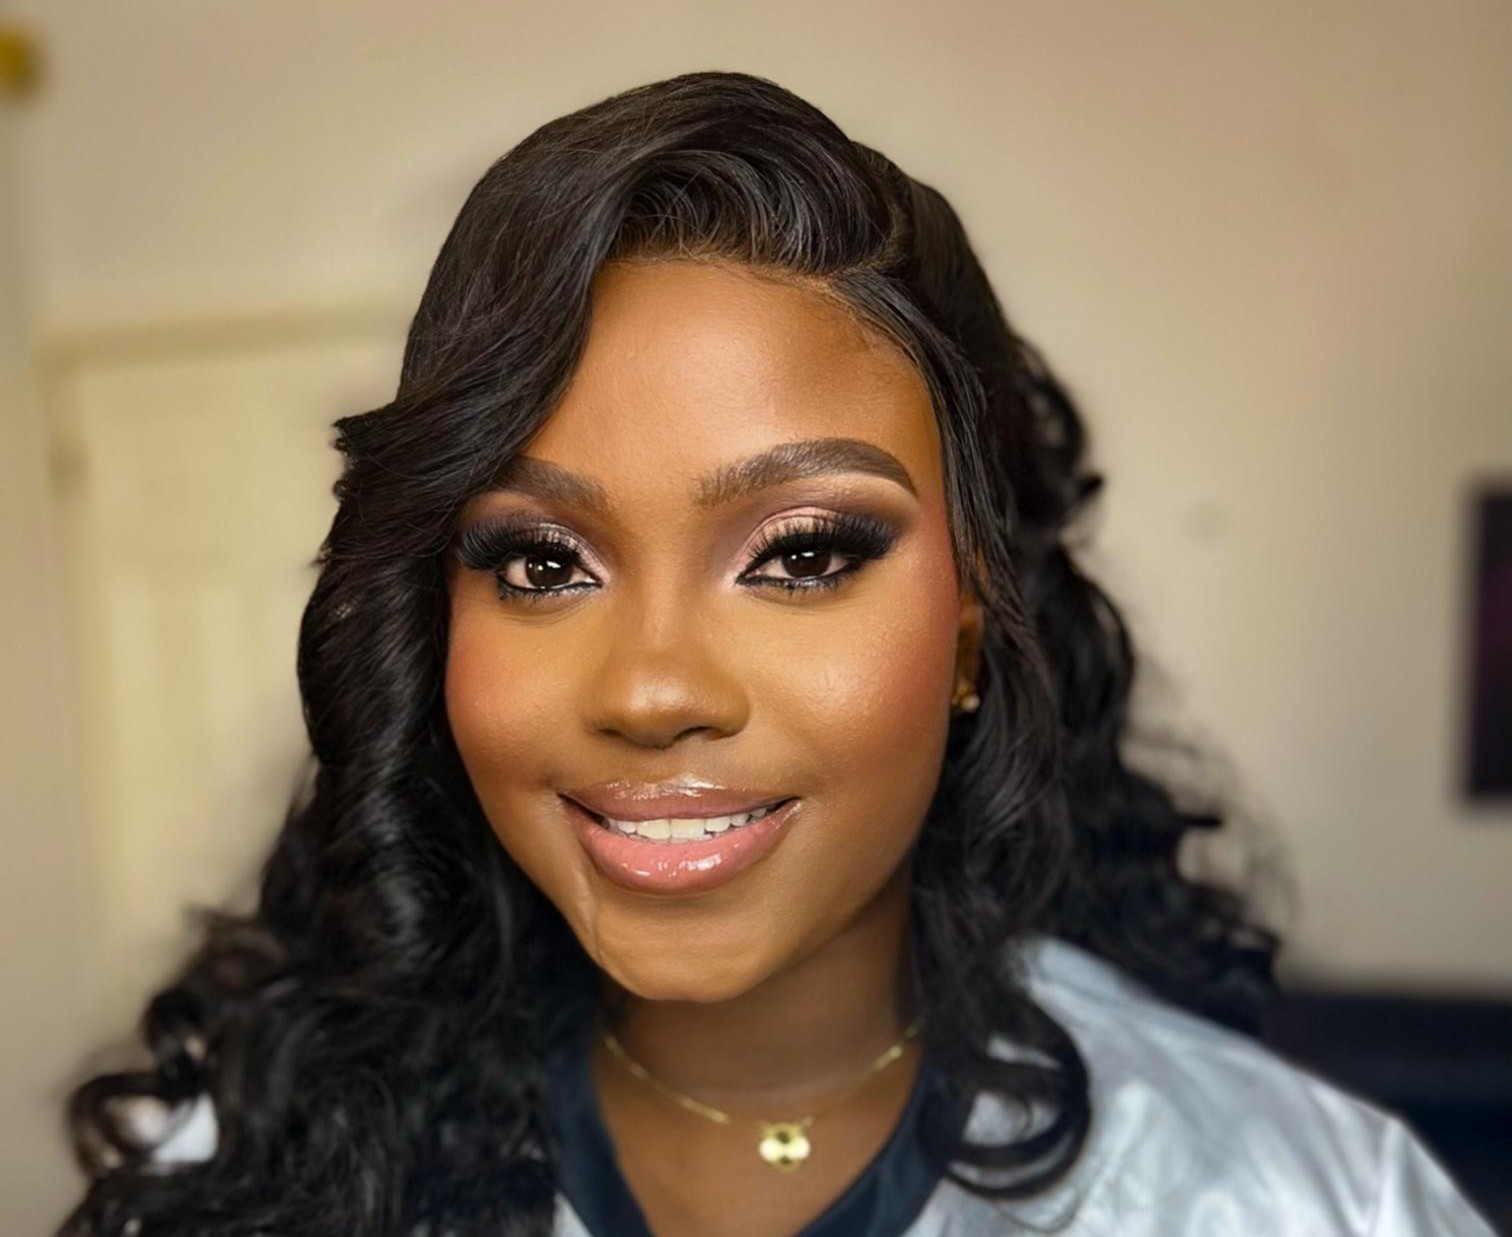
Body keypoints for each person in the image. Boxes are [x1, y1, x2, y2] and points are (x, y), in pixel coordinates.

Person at [58, 71, 1494, 1237]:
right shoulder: (243, 1177)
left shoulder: (1304, 1202)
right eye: (542, 563)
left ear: (974, 619)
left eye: (802, 553)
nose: (650, 688)